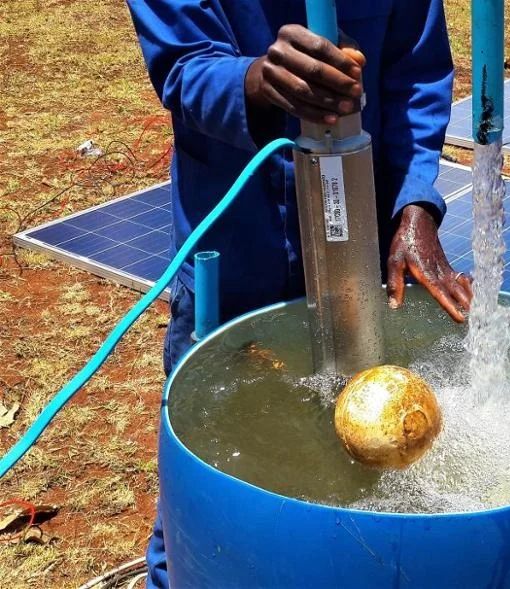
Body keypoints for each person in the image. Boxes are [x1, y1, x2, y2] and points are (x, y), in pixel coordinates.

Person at [124, 1, 473, 586]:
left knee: (356, 460)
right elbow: (182, 66)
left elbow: (416, 74)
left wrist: (415, 202)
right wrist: (257, 81)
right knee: (216, 473)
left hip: (358, 249)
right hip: (237, 248)